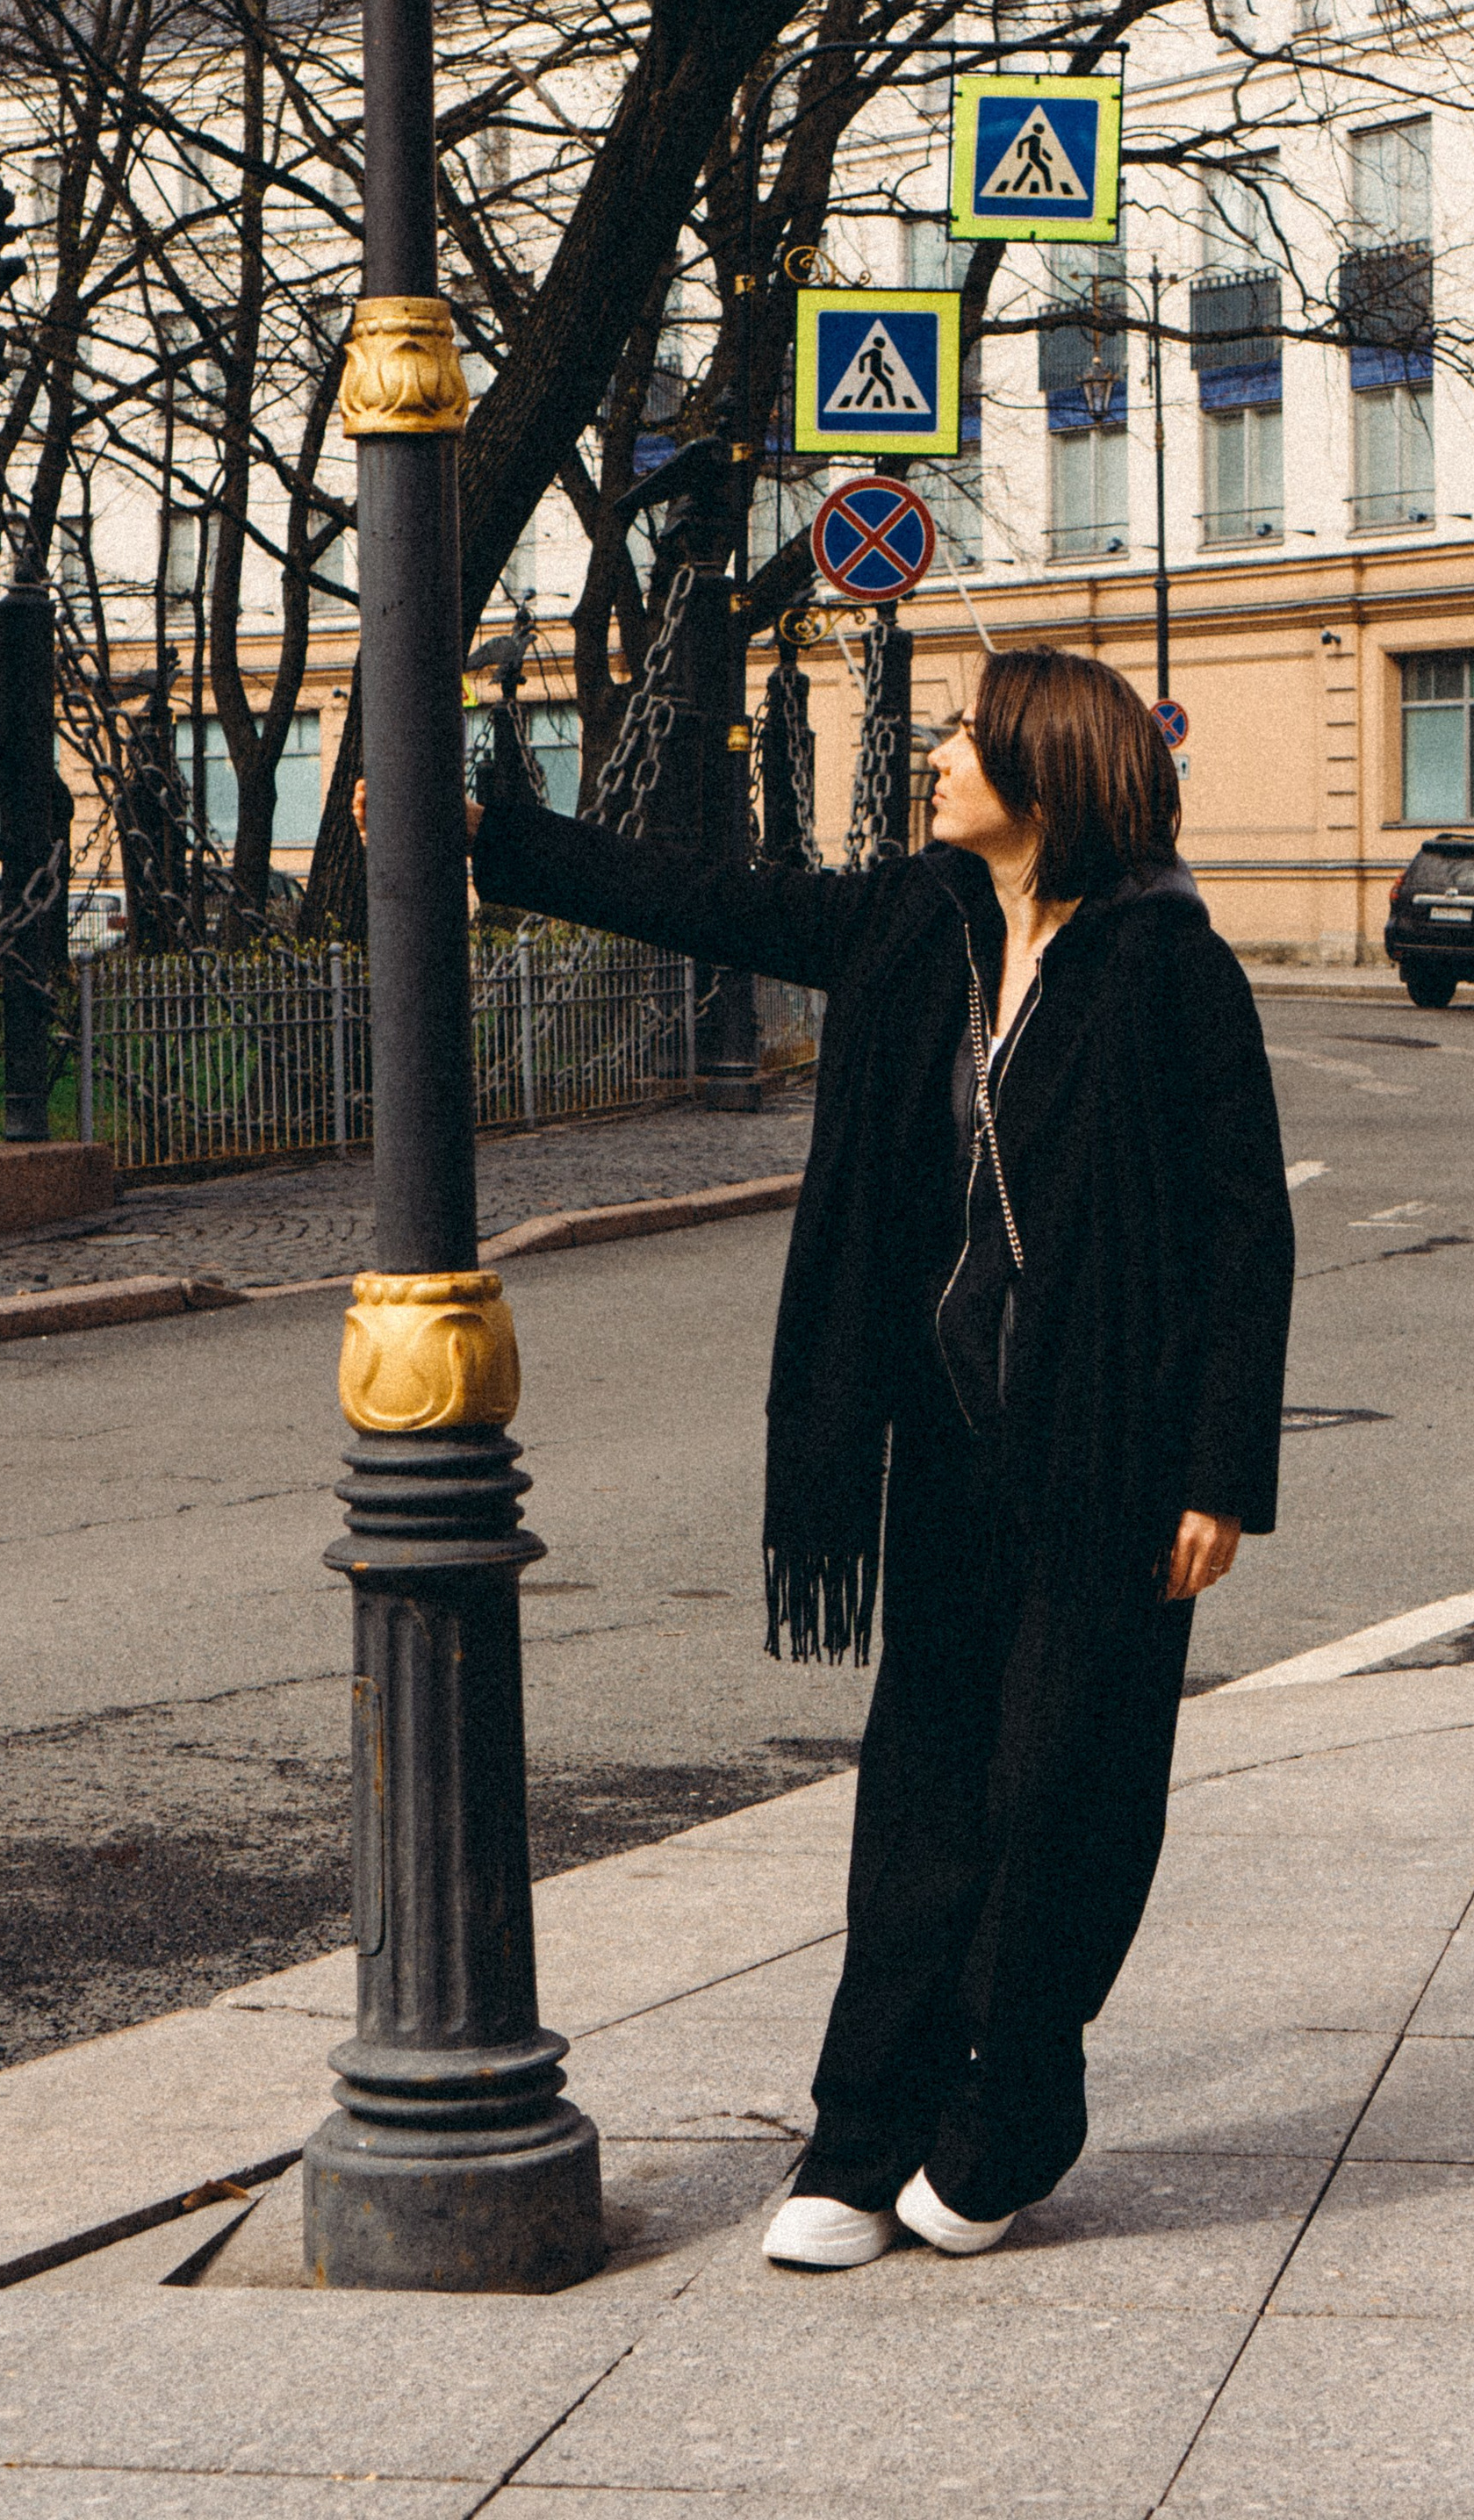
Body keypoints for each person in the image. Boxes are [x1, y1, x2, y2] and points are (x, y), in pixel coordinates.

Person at [406, 644, 1292, 2267]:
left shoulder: (1170, 968)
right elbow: (721, 904)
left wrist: (1219, 1473)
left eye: (964, 736)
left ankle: (1015, 2102)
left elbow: (1247, 1233)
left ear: (1046, 780)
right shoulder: (918, 926)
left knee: (1063, 1792)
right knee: (925, 1795)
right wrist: (503, 837)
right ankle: (862, 2126)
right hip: (945, 1449)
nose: (936, 757)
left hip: (1110, 1460)